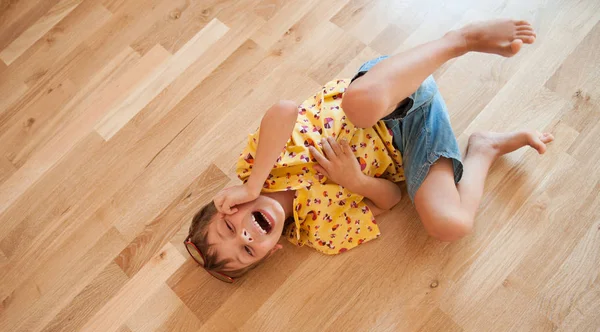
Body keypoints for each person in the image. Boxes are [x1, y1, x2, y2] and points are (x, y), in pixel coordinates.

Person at [184, 19, 552, 283]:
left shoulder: (257, 167)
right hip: (415, 141)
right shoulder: (320, 234)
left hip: (387, 90)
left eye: (230, 226)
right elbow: (392, 199)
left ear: (226, 204)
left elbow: (284, 109)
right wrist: (355, 181)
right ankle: (485, 149)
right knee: (451, 225)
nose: (245, 235)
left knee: (358, 107)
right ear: (273, 251)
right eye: (248, 250)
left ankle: (459, 39)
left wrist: (252, 187)